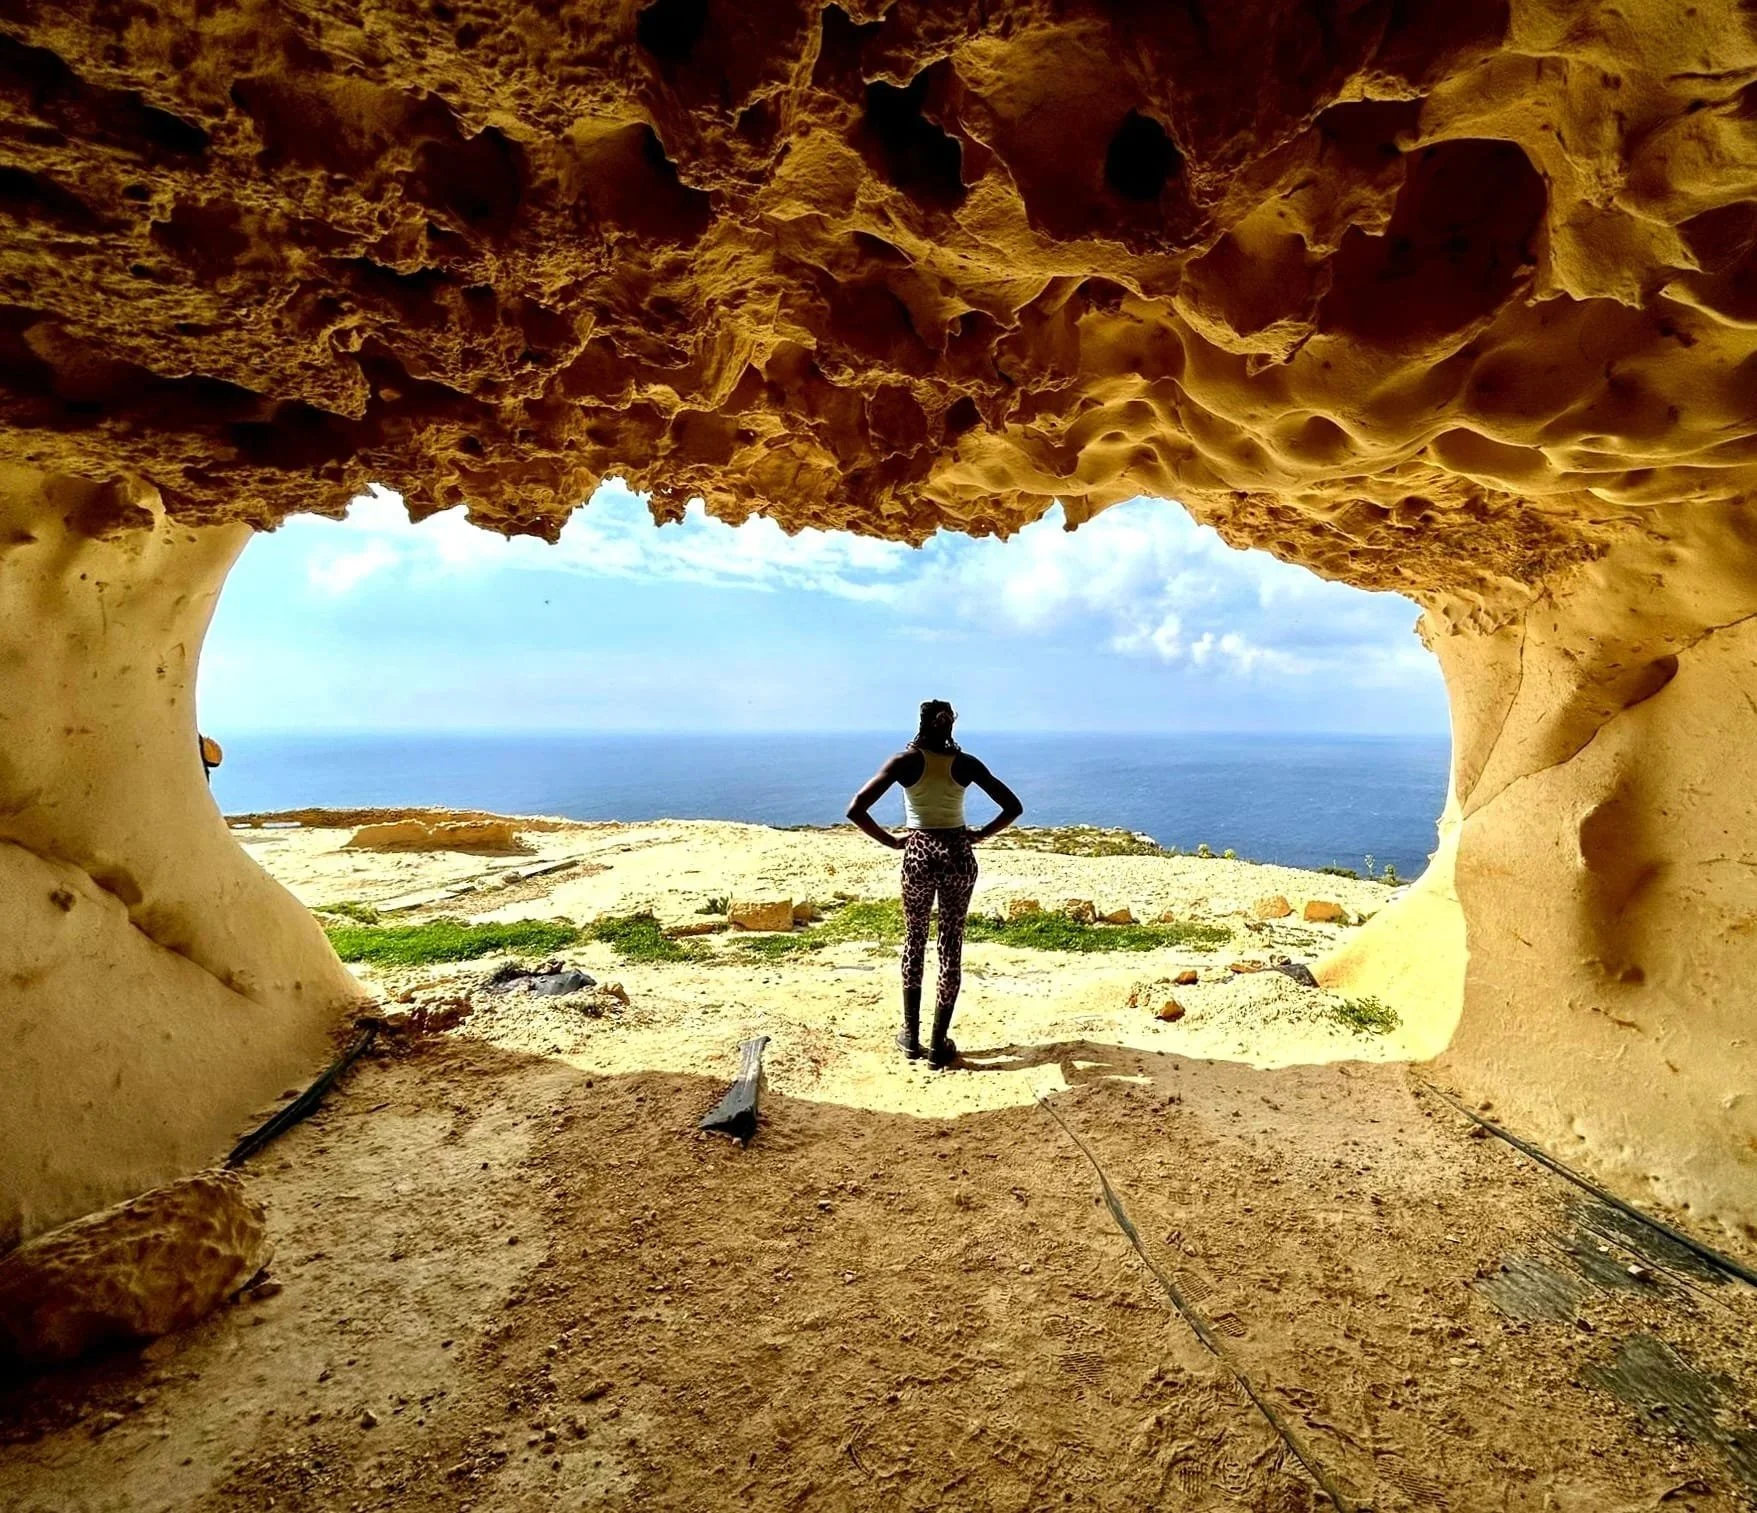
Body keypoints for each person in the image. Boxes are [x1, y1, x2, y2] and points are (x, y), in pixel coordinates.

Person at [846, 701, 1023, 1067]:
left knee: (914, 939)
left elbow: (856, 808)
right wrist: (979, 835)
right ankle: (939, 1044)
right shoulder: (966, 763)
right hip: (958, 853)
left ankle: (910, 1037)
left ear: (921, 723)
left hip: (919, 853)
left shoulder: (903, 762)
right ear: (950, 725)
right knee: (950, 943)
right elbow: (1012, 807)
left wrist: (893, 841)